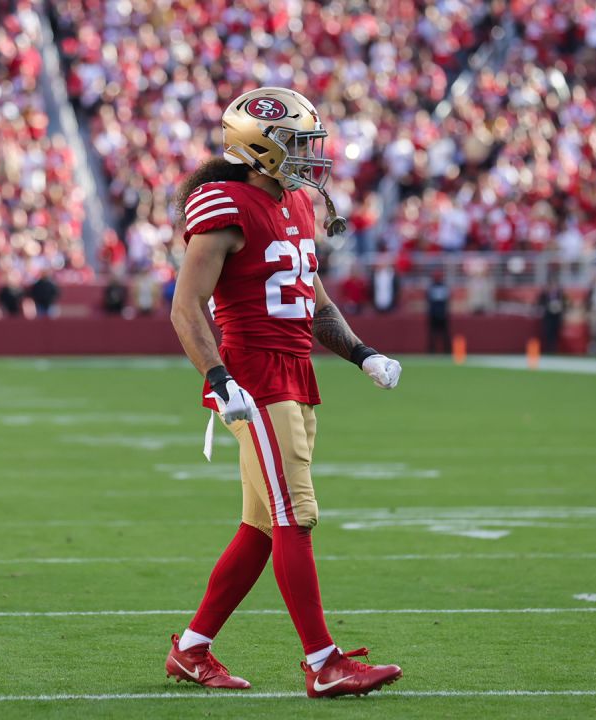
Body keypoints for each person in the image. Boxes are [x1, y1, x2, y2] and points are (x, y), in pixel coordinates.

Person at [167, 87, 404, 699]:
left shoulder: (298, 202)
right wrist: (218, 381)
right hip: (253, 378)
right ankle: (323, 663)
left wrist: (362, 352)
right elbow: (186, 308)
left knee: (262, 528)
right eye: (296, 142)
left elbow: (314, 302)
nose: (307, 155)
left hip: (295, 374)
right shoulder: (223, 204)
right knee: (295, 515)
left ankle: (192, 649)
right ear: (260, 146)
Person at [537, 277, 567, 354]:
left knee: (556, 333)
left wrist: (560, 307)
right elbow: (540, 303)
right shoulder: (545, 294)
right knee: (548, 333)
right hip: (548, 317)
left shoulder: (560, 294)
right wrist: (548, 306)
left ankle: (554, 350)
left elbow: (565, 304)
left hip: (557, 317)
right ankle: (549, 349)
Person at [426, 271, 451, 354]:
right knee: (433, 333)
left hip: (441, 313)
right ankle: (432, 349)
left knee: (444, 333)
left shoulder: (443, 287)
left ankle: (446, 349)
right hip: (434, 313)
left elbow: (446, 300)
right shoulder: (432, 287)